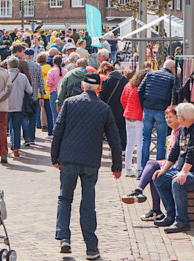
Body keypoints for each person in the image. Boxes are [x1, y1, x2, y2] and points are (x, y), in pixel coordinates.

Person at [51, 72, 122, 259]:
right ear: (98, 89)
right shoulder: (104, 109)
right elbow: (115, 140)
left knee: (65, 198)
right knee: (88, 203)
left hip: (68, 158)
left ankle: (64, 237)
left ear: (83, 86)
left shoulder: (69, 103)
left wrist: (55, 157)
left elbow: (57, 130)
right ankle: (91, 247)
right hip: (90, 161)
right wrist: (117, 166)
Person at [152, 103, 194, 233]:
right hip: (183, 170)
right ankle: (171, 214)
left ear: (183, 117)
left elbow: (193, 152)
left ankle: (182, 221)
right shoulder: (183, 129)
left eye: (178, 115)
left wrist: (183, 172)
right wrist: (163, 170)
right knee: (160, 178)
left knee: (178, 182)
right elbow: (175, 151)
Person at [121, 106, 182, 222]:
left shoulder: (181, 131)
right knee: (153, 170)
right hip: (171, 163)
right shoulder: (174, 132)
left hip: (177, 166)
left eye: (171, 117)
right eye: (167, 117)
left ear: (178, 118)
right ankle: (155, 210)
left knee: (152, 164)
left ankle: (139, 191)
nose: (168, 120)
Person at [137, 60, 177, 171]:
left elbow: (140, 90)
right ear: (172, 68)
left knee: (145, 140)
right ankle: (159, 167)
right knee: (161, 140)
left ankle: (143, 168)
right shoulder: (171, 78)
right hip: (161, 110)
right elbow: (172, 96)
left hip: (148, 109)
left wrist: (144, 105)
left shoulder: (150, 74)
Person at [121, 70, 147, 177]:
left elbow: (122, 100)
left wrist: (127, 110)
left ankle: (128, 168)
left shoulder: (128, 85)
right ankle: (139, 169)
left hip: (128, 116)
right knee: (140, 144)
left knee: (130, 143)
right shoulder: (142, 88)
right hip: (139, 117)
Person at [5, 56, 31, 157]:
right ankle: (16, 148)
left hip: (6, 106)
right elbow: (30, 90)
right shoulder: (23, 77)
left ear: (9, 65)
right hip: (19, 106)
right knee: (16, 128)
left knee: (4, 129)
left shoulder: (5, 76)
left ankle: (4, 148)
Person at [99, 65, 127, 153]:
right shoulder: (125, 80)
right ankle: (123, 148)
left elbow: (102, 95)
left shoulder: (107, 80)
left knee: (110, 129)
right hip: (122, 108)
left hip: (110, 108)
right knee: (122, 128)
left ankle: (113, 148)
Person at [24, 49, 45, 145]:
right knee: (33, 117)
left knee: (24, 117)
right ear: (32, 56)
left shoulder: (22, 65)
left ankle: (26, 137)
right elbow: (41, 81)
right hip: (35, 95)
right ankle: (32, 137)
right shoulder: (37, 66)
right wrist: (42, 96)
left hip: (24, 95)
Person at [38, 52, 53, 134]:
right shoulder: (50, 69)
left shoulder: (37, 68)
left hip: (38, 93)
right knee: (49, 113)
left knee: (38, 111)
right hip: (48, 92)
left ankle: (40, 124)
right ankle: (50, 131)